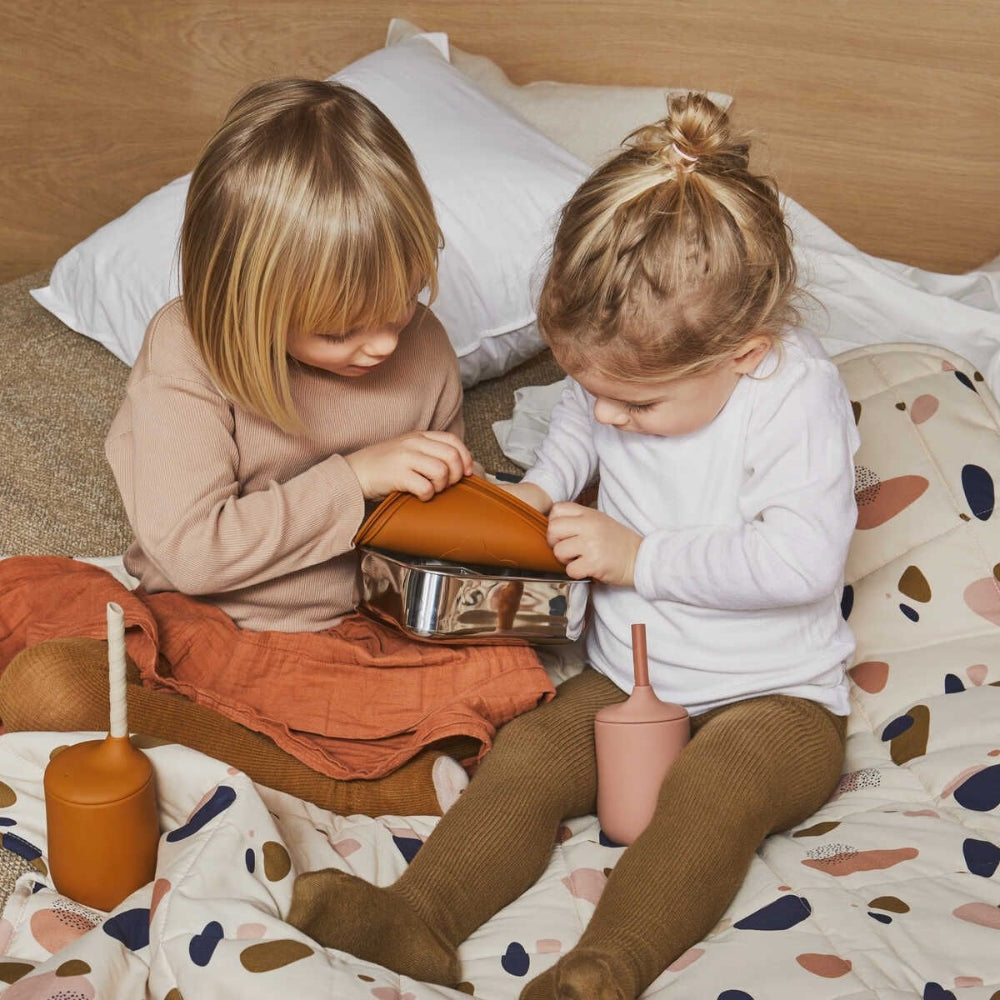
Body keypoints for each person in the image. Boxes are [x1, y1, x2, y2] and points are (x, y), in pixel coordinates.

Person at [286, 92, 860, 1000]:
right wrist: (543, 488)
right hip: (627, 675)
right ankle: (416, 919)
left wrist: (640, 558)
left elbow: (802, 561)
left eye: (638, 403)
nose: (609, 414)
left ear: (746, 352)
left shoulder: (795, 397)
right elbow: (578, 423)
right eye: (593, 386)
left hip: (775, 699)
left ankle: (605, 967)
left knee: (713, 793)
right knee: (525, 757)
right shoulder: (614, 383)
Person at [0, 78, 553, 818]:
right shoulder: (188, 351)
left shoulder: (423, 349)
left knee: (520, 682)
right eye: (338, 331)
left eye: (402, 303)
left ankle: (322, 759)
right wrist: (355, 477)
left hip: (358, 636)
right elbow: (193, 553)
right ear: (244, 301)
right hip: (207, 625)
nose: (381, 345)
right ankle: (344, 783)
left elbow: (421, 540)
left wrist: (480, 520)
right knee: (52, 682)